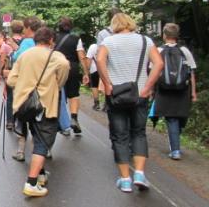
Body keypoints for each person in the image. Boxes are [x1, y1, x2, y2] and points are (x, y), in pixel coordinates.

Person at [97, 13, 163, 193]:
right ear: (130, 23)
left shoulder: (108, 42)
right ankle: (140, 174)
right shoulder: (145, 41)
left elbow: (100, 60)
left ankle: (125, 179)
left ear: (114, 25)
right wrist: (148, 86)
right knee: (139, 133)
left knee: (120, 135)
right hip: (140, 93)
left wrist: (107, 83)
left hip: (116, 94)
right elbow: (158, 63)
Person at [7, 27, 70, 197]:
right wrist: (56, 84)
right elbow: (64, 69)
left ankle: (41, 175)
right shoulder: (55, 56)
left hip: (25, 105)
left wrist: (25, 84)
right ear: (50, 40)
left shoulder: (24, 55)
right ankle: (31, 182)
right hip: (45, 104)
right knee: (43, 142)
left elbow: (12, 79)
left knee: (36, 136)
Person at [153, 23, 198, 160]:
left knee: (171, 118)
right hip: (182, 90)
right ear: (177, 36)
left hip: (164, 90)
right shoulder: (184, 51)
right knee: (179, 117)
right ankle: (176, 147)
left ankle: (176, 150)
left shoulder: (158, 50)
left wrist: (150, 90)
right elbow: (191, 73)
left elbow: (152, 71)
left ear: (164, 35)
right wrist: (193, 92)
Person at [4, 16, 42, 161]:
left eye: (25, 28)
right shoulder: (42, 42)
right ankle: (43, 150)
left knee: (23, 118)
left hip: (25, 86)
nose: (24, 30)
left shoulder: (26, 42)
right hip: (41, 85)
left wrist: (14, 50)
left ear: (29, 28)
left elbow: (18, 61)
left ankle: (21, 151)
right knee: (39, 120)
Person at [55, 17, 89, 135]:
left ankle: (62, 124)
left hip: (57, 69)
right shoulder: (76, 39)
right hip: (72, 69)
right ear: (71, 27)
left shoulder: (53, 38)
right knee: (73, 94)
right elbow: (81, 56)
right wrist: (85, 73)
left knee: (59, 96)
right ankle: (74, 118)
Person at [85, 42, 102, 110]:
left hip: (94, 69)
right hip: (105, 70)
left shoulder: (93, 46)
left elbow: (89, 59)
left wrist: (87, 71)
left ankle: (96, 104)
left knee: (94, 86)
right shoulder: (108, 44)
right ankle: (107, 105)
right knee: (105, 86)